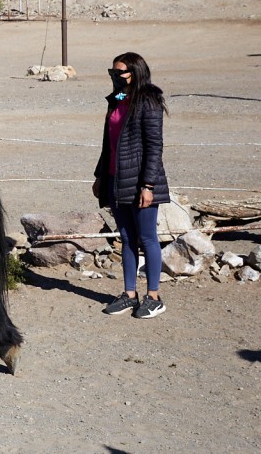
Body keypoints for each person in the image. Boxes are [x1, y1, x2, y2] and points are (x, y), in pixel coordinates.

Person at [92, 52, 171, 319]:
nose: (115, 77)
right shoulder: (116, 99)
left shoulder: (148, 100)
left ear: (135, 72)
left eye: (120, 72)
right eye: (112, 72)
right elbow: (109, 143)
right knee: (126, 238)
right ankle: (129, 294)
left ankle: (154, 297)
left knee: (147, 238)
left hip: (140, 182)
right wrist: (100, 176)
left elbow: (154, 146)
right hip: (116, 179)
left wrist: (148, 185)